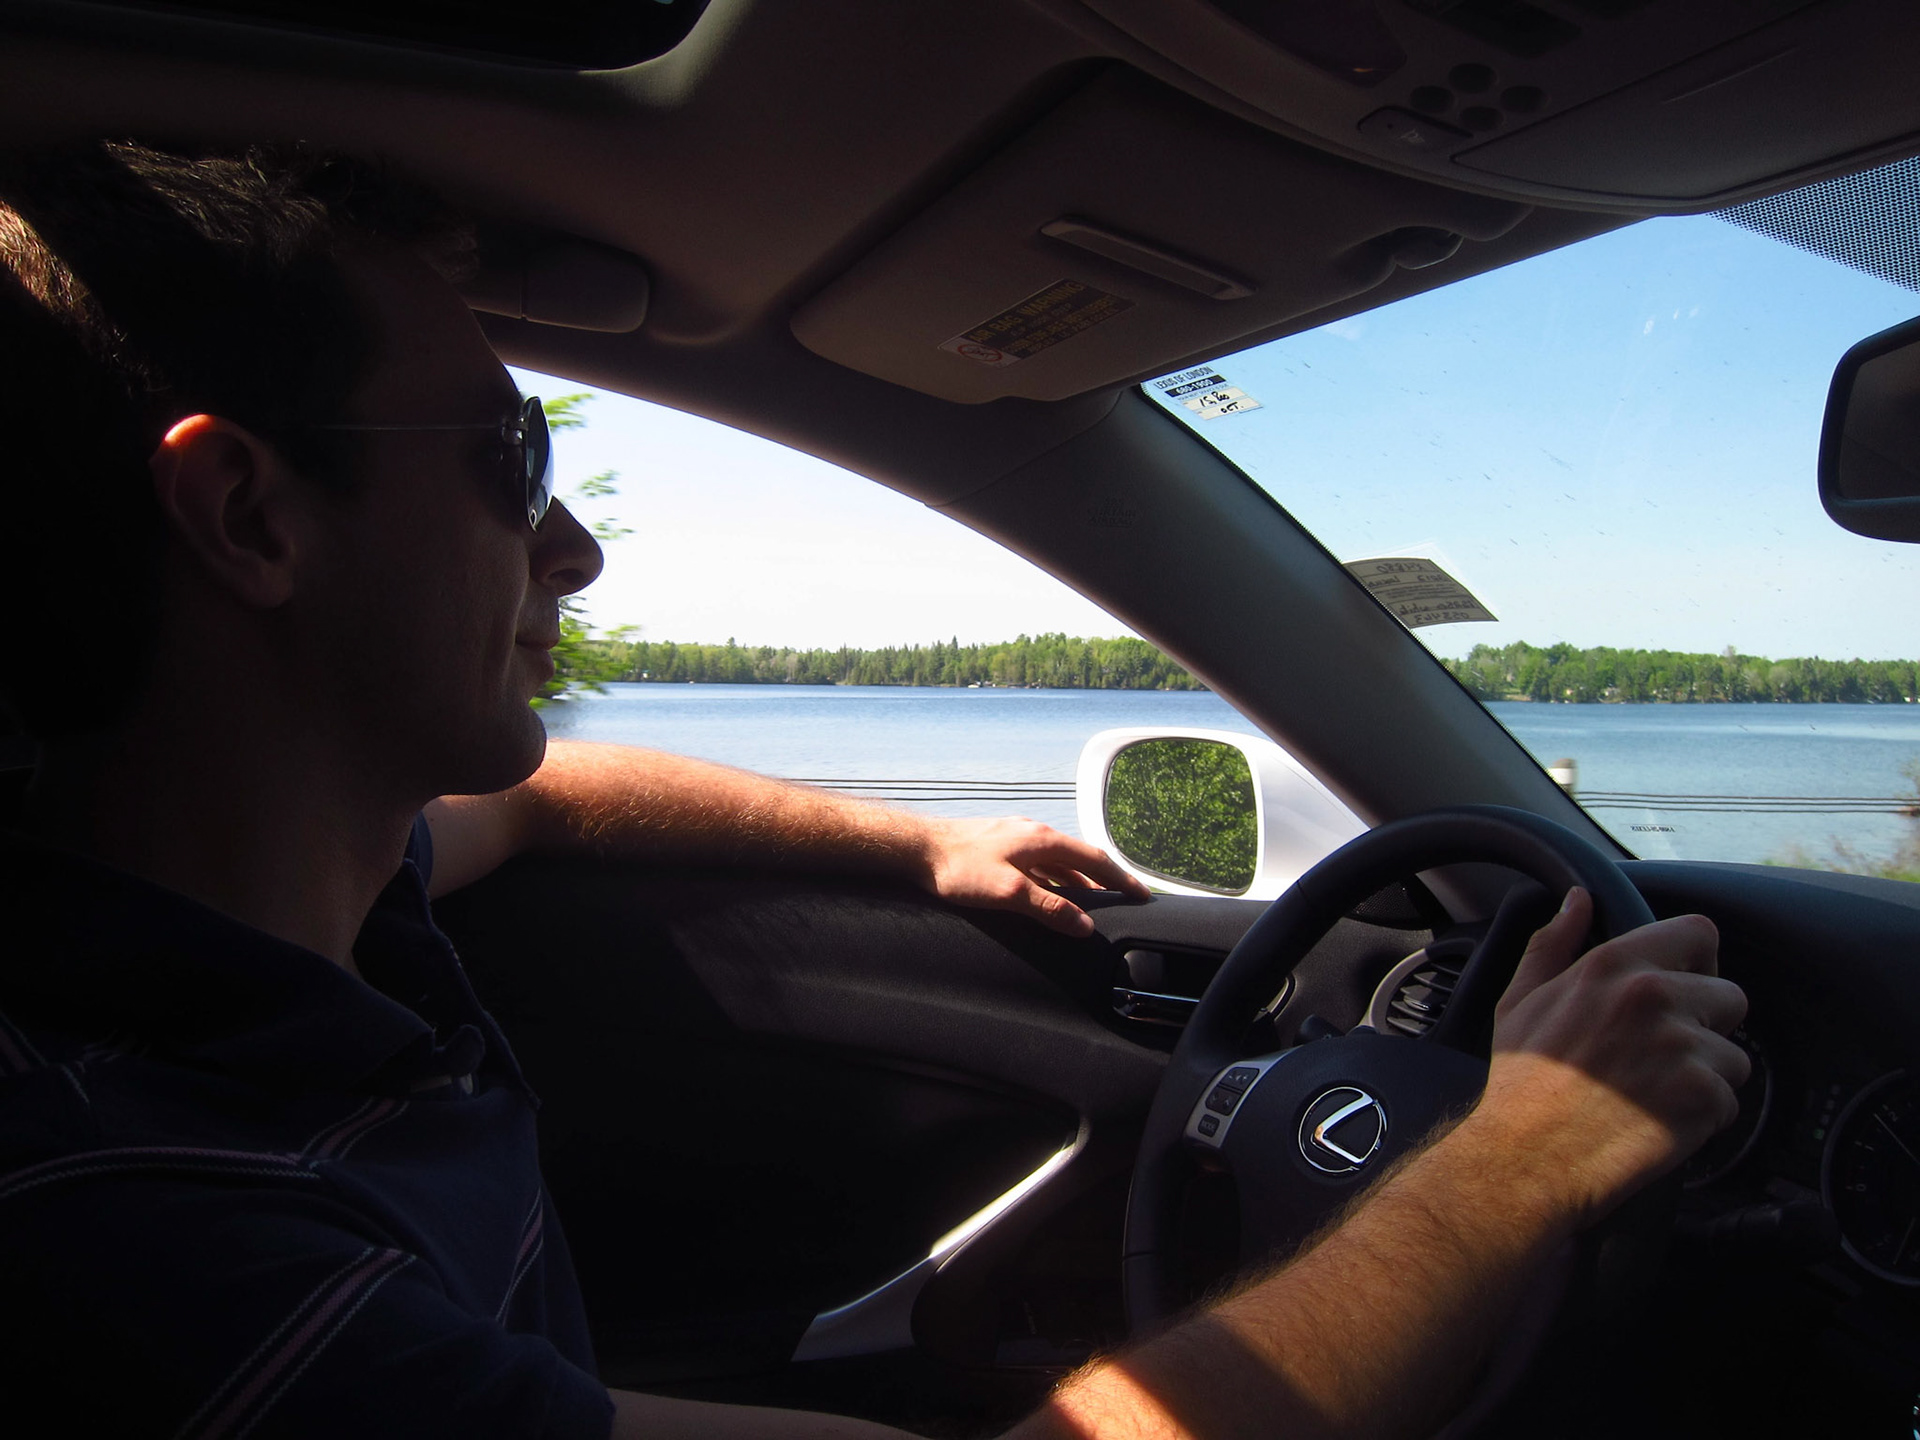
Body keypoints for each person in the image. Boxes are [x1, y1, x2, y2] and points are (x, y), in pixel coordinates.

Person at [0, 142, 1749, 1440]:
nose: (577, 547)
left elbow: (553, 806)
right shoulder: (131, 1246)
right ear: (246, 518)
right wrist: (1521, 1156)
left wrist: (922, 843)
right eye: (506, 459)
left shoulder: (278, 881)